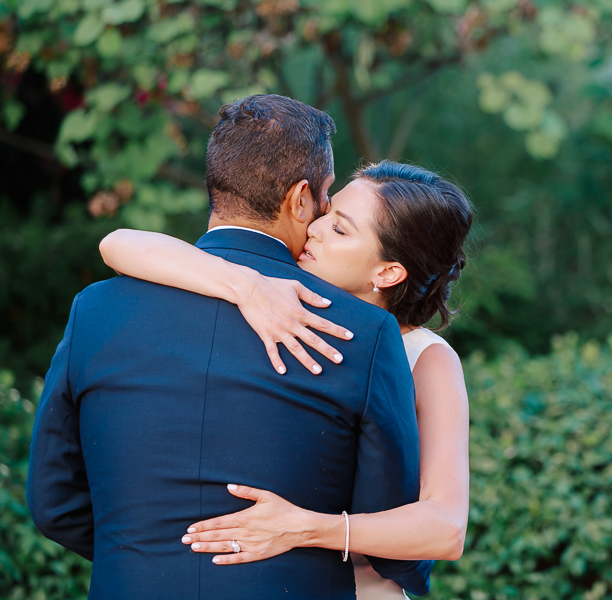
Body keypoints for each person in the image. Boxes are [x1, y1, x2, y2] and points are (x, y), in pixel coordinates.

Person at [27, 94, 433, 600]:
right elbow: (387, 530)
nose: (325, 214)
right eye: (327, 197)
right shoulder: (364, 333)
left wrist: (148, 550)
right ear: (301, 198)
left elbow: (53, 503)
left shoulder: (95, 311)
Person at [99, 159, 473, 599]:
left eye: (340, 230)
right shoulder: (271, 299)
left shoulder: (425, 358)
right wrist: (245, 286)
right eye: (327, 212)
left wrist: (307, 528)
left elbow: (446, 529)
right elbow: (118, 243)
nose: (313, 228)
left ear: (387, 272)